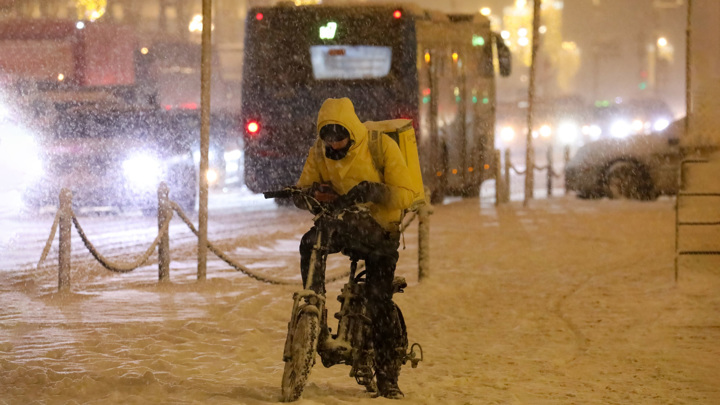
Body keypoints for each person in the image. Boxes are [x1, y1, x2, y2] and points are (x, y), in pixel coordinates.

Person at [295, 97, 416, 399]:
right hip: (346, 226)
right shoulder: (320, 153)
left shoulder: (380, 147)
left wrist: (373, 190)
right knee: (311, 242)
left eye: (339, 136)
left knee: (378, 301)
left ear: (352, 131)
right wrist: (305, 194)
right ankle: (315, 309)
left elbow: (406, 193)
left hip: (380, 234)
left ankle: (388, 376)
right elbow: (304, 187)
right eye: (327, 137)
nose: (334, 144)